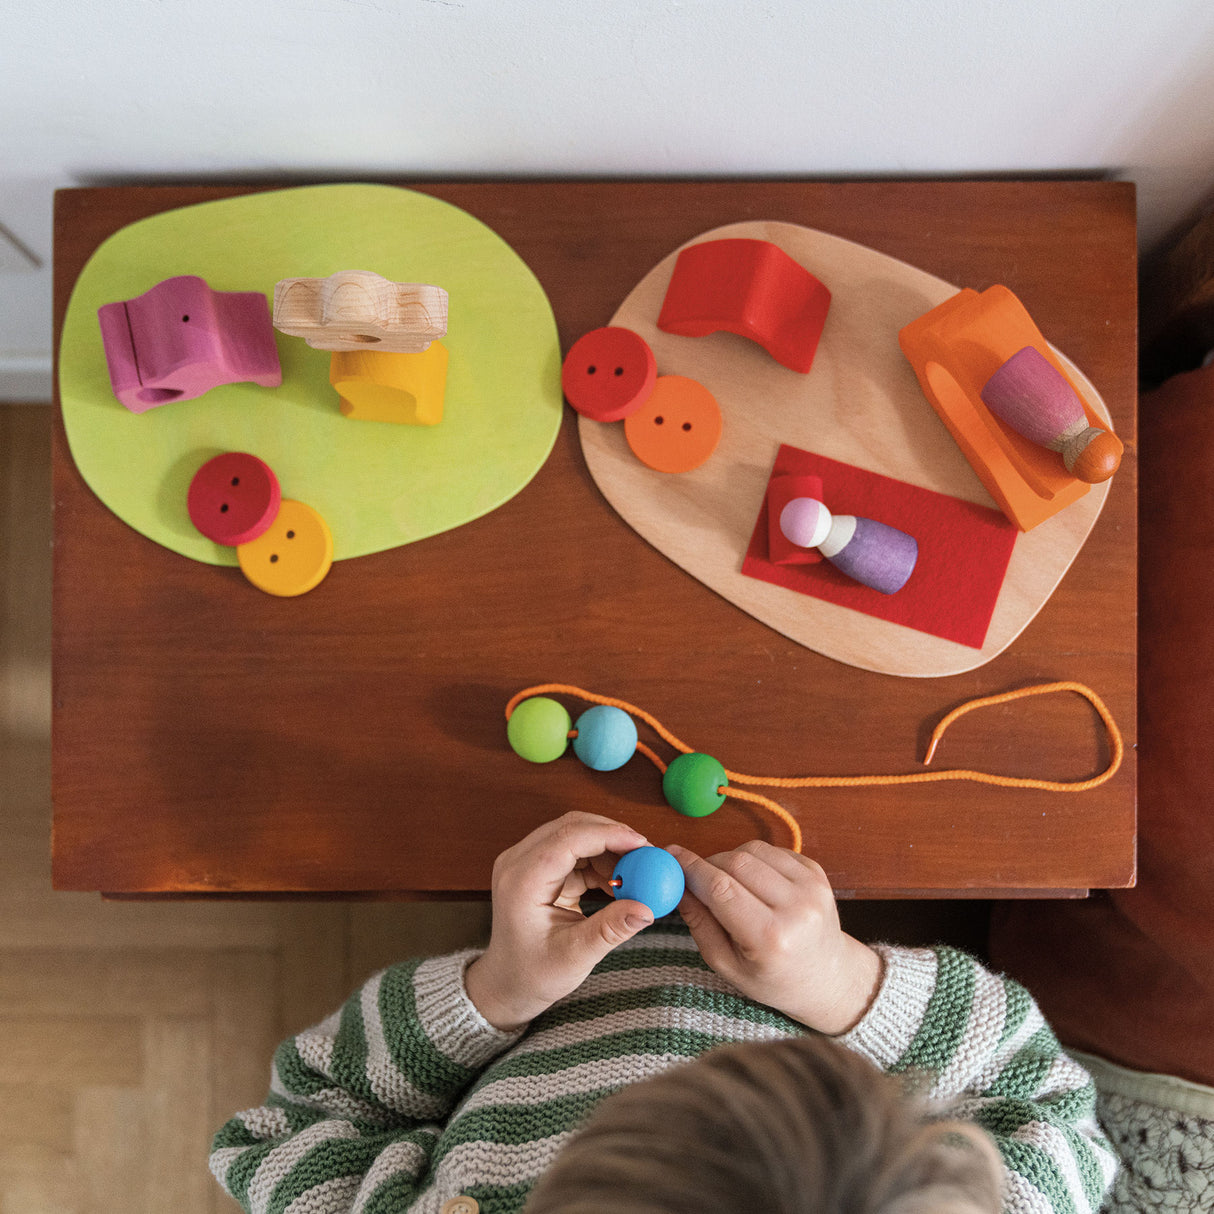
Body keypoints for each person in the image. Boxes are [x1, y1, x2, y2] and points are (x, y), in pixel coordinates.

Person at [210, 812, 1117, 1214]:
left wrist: (492, 995)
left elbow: (300, 1120)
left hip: (535, 989)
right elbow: (1040, 1104)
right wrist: (843, 987)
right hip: (795, 955)